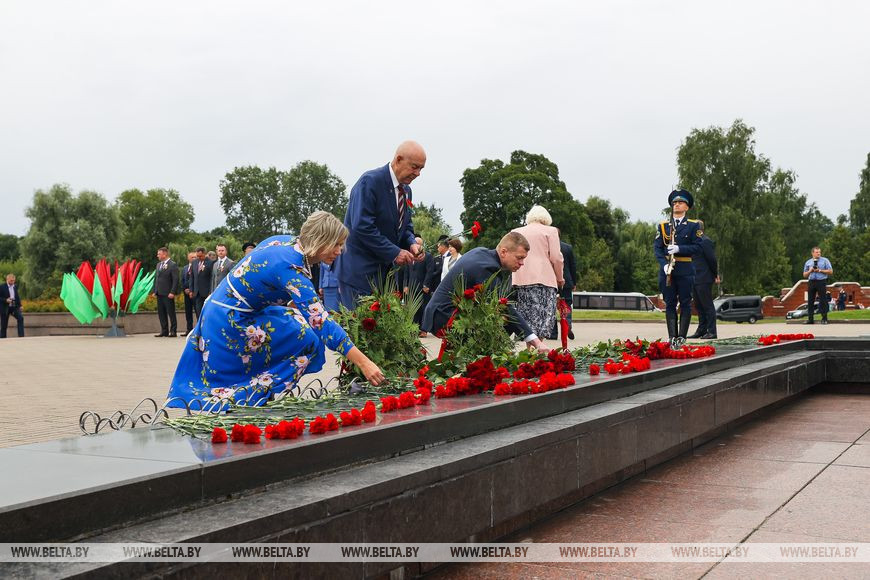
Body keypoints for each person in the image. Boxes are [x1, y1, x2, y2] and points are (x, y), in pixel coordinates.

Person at [165, 212, 385, 408]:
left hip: (225, 310)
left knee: (298, 322)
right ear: (319, 240)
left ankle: (257, 391)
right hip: (230, 321)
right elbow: (321, 322)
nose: (339, 251)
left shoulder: (282, 243)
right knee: (307, 336)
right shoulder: (291, 268)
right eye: (335, 245)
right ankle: (253, 394)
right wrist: (364, 363)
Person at [422, 232, 549, 353]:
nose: (522, 263)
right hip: (444, 315)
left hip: (440, 312)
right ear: (504, 252)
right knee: (498, 327)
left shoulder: (482, 253)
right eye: (519, 258)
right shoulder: (486, 267)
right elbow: (503, 306)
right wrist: (536, 341)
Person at [335, 141, 425, 308]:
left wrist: (412, 243)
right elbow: (362, 226)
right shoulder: (370, 182)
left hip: (383, 277)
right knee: (359, 330)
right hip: (359, 274)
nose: (418, 173)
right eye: (414, 167)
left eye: (421, 169)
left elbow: (405, 227)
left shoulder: (406, 190)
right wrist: (394, 252)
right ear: (398, 159)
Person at [654, 189, 702, 347]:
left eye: (680, 203)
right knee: (669, 303)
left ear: (686, 207)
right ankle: (672, 336)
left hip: (685, 269)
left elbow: (698, 247)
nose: (676, 205)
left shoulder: (694, 226)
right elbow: (658, 249)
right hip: (668, 271)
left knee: (686, 303)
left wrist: (679, 249)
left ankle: (682, 337)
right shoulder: (663, 226)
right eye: (674, 203)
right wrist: (664, 265)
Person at [511, 205, 564, 339]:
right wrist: (560, 278)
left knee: (526, 318)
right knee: (543, 318)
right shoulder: (551, 231)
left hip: (521, 279)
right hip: (544, 279)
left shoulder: (516, 231)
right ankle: (537, 351)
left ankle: (531, 351)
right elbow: (556, 258)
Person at [688, 222, 720, 339]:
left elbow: (712, 259)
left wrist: (715, 274)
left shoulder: (705, 241)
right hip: (694, 278)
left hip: (704, 277)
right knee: (699, 306)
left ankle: (712, 331)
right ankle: (701, 330)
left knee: (707, 306)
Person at [399, 236, 433, 333]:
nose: (416, 246)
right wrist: (405, 285)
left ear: (421, 246)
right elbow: (406, 272)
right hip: (411, 287)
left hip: (422, 287)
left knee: (422, 308)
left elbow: (429, 272)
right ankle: (413, 329)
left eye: (418, 244)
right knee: (412, 308)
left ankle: (423, 330)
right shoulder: (410, 256)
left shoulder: (427, 256)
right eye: (415, 243)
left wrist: (426, 285)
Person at [551, 238, 577, 340]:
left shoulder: (548, 248)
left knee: (551, 307)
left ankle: (553, 333)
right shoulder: (568, 247)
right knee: (566, 305)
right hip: (566, 281)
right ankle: (567, 325)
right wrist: (573, 282)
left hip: (551, 281)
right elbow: (572, 266)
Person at [152, 247, 179, 337]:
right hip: (159, 292)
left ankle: (173, 331)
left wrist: (172, 292)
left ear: (165, 254)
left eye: (159, 254)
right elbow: (156, 278)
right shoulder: (158, 265)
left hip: (168, 293)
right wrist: (154, 291)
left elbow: (175, 280)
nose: (157, 256)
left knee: (171, 312)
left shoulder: (172, 265)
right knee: (161, 313)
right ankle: (164, 330)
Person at [803, 246, 832, 325]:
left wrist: (820, 270)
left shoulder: (825, 260)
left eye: (819, 252)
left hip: (821, 281)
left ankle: (824, 318)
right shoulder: (808, 262)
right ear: (812, 253)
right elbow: (804, 275)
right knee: (810, 301)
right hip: (811, 282)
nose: (819, 253)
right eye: (817, 252)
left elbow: (830, 271)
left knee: (823, 300)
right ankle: (810, 319)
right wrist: (810, 270)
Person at [423, 235, 449, 300]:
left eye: (438, 245)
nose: (437, 248)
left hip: (448, 289)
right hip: (437, 290)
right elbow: (431, 274)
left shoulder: (452, 257)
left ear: (443, 246)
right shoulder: (436, 259)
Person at [190, 247, 214, 317]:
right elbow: (192, 277)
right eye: (197, 256)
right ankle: (199, 326)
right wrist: (191, 290)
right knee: (198, 311)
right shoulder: (194, 262)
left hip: (207, 292)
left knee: (207, 312)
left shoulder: (211, 263)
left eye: (200, 256)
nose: (199, 258)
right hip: (197, 292)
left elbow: (211, 278)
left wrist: (210, 291)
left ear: (205, 254)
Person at [0, 273, 24, 338]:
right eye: (11, 280)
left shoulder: (14, 286)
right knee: (4, 325)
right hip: (5, 308)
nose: (12, 282)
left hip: (13, 307)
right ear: (7, 279)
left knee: (20, 318)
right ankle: (2, 338)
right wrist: (5, 300)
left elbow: (17, 297)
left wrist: (20, 305)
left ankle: (21, 336)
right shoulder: (2, 287)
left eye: (13, 280)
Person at [180, 251, 196, 336]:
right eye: (192, 257)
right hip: (186, 294)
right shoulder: (185, 268)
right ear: (188, 258)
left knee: (198, 312)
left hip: (195, 294)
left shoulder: (198, 267)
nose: (193, 259)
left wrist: (191, 289)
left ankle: (198, 331)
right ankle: (189, 330)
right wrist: (185, 289)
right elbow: (182, 280)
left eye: (195, 257)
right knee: (188, 312)